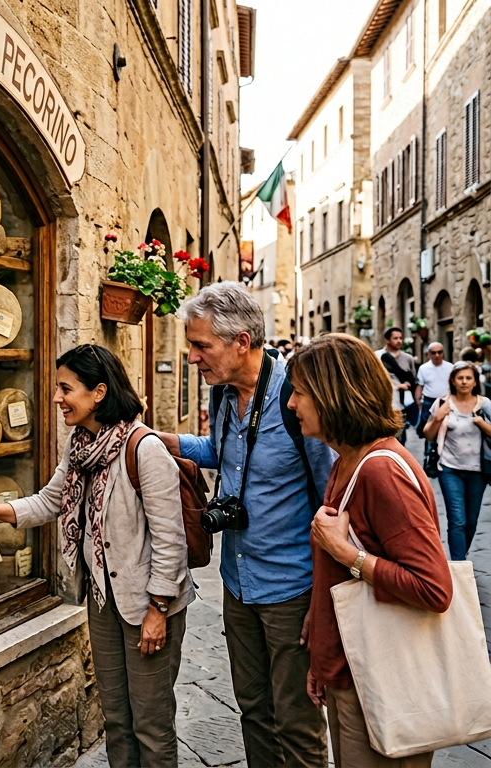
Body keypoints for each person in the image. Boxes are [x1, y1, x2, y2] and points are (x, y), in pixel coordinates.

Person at [0, 345, 193, 767]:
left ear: (98, 392)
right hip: (102, 600)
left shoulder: (144, 449)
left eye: (65, 388)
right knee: (116, 718)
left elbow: (171, 541)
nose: (57, 398)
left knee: (151, 725)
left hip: (149, 604)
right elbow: (50, 501)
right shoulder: (80, 447)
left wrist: (158, 609)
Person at [154, 282, 333, 767]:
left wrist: (323, 599)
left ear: (242, 343)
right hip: (237, 582)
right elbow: (223, 453)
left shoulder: (298, 398)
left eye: (200, 346)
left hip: (292, 589)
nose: (192, 357)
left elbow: (331, 495)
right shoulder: (223, 394)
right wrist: (158, 441)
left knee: (297, 721)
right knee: (253, 710)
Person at [287, 333, 454, 767]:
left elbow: (434, 588)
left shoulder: (381, 471)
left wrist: (349, 555)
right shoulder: (347, 461)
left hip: (382, 681)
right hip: (351, 673)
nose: (291, 405)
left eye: (300, 393)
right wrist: (322, 659)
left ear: (333, 396)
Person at [421, 361, 491, 560]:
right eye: (460, 378)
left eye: (469, 378)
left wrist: (482, 424)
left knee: (470, 523)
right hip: (449, 469)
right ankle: (459, 566)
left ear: (475, 381)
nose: (464, 382)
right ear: (452, 380)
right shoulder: (443, 402)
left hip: (478, 471)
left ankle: (461, 556)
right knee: (457, 520)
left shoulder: (484, 404)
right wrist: (437, 418)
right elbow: (428, 435)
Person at [380, 328, 419, 441]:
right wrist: (396, 387)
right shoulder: (378, 356)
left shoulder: (408, 358)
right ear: (387, 340)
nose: (399, 341)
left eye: (400, 338)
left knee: (401, 434)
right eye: (395, 338)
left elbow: (412, 378)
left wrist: (407, 384)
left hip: (402, 402)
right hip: (385, 402)